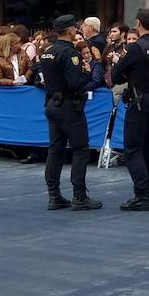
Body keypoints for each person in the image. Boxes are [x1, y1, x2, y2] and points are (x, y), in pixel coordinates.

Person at [36, 16, 101, 211]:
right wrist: (87, 74)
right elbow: (74, 82)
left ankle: (54, 195)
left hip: (52, 103)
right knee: (80, 149)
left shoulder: (48, 52)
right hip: (68, 105)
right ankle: (79, 196)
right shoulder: (70, 54)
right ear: (70, 30)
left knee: (55, 149)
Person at [112, 8, 149, 212]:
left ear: (138, 22)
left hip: (140, 100)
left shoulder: (136, 48)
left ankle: (141, 194)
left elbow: (116, 74)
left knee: (133, 149)